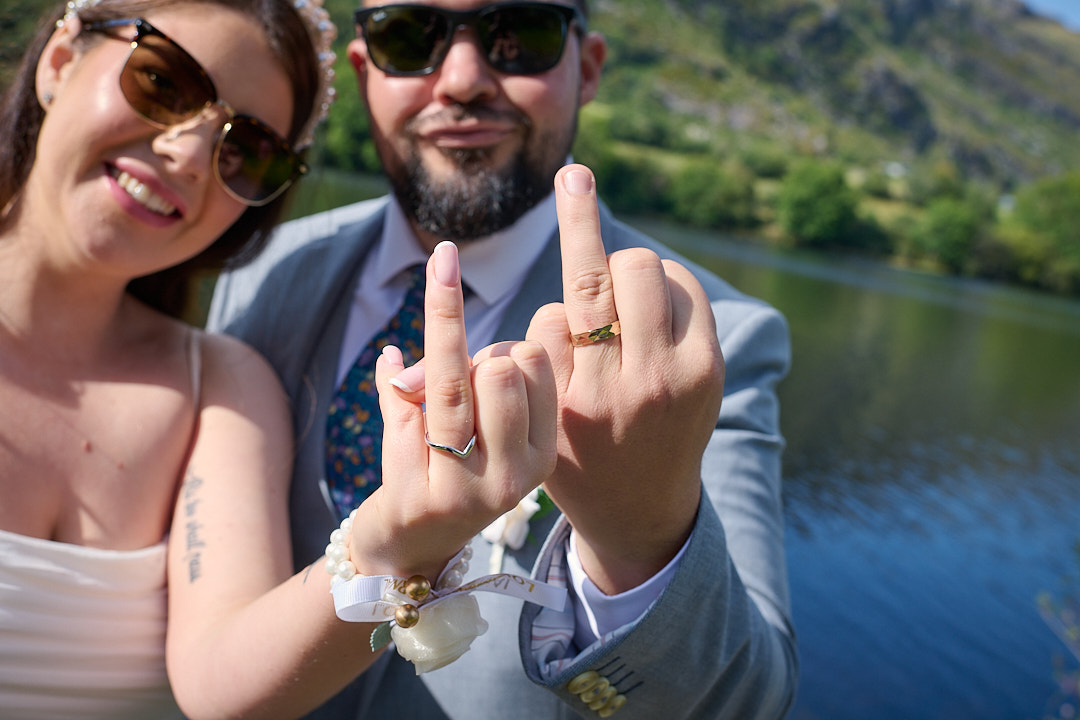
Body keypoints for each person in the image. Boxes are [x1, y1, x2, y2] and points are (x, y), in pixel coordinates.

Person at [208, 0, 799, 718]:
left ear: (586, 68)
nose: (461, 79)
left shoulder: (712, 343)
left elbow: (748, 702)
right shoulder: (260, 271)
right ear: (364, 70)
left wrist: (640, 534)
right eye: (407, 36)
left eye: (519, 34)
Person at [0, 0, 559, 718]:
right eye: (163, 83)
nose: (190, 155)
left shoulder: (223, 391)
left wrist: (395, 542)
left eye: (247, 151)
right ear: (57, 62)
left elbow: (224, 683)